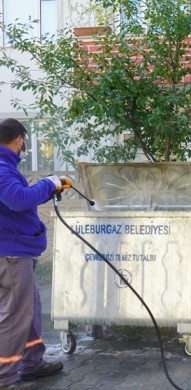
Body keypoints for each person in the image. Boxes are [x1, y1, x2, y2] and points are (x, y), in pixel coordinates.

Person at [0, 118, 70, 389]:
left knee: (28, 311)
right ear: (20, 139)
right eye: (25, 142)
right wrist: (48, 184)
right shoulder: (3, 168)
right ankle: (5, 376)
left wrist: (48, 189)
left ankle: (31, 363)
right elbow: (17, 200)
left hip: (17, 252)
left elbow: (19, 198)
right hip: (11, 255)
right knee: (15, 316)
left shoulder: (7, 167)